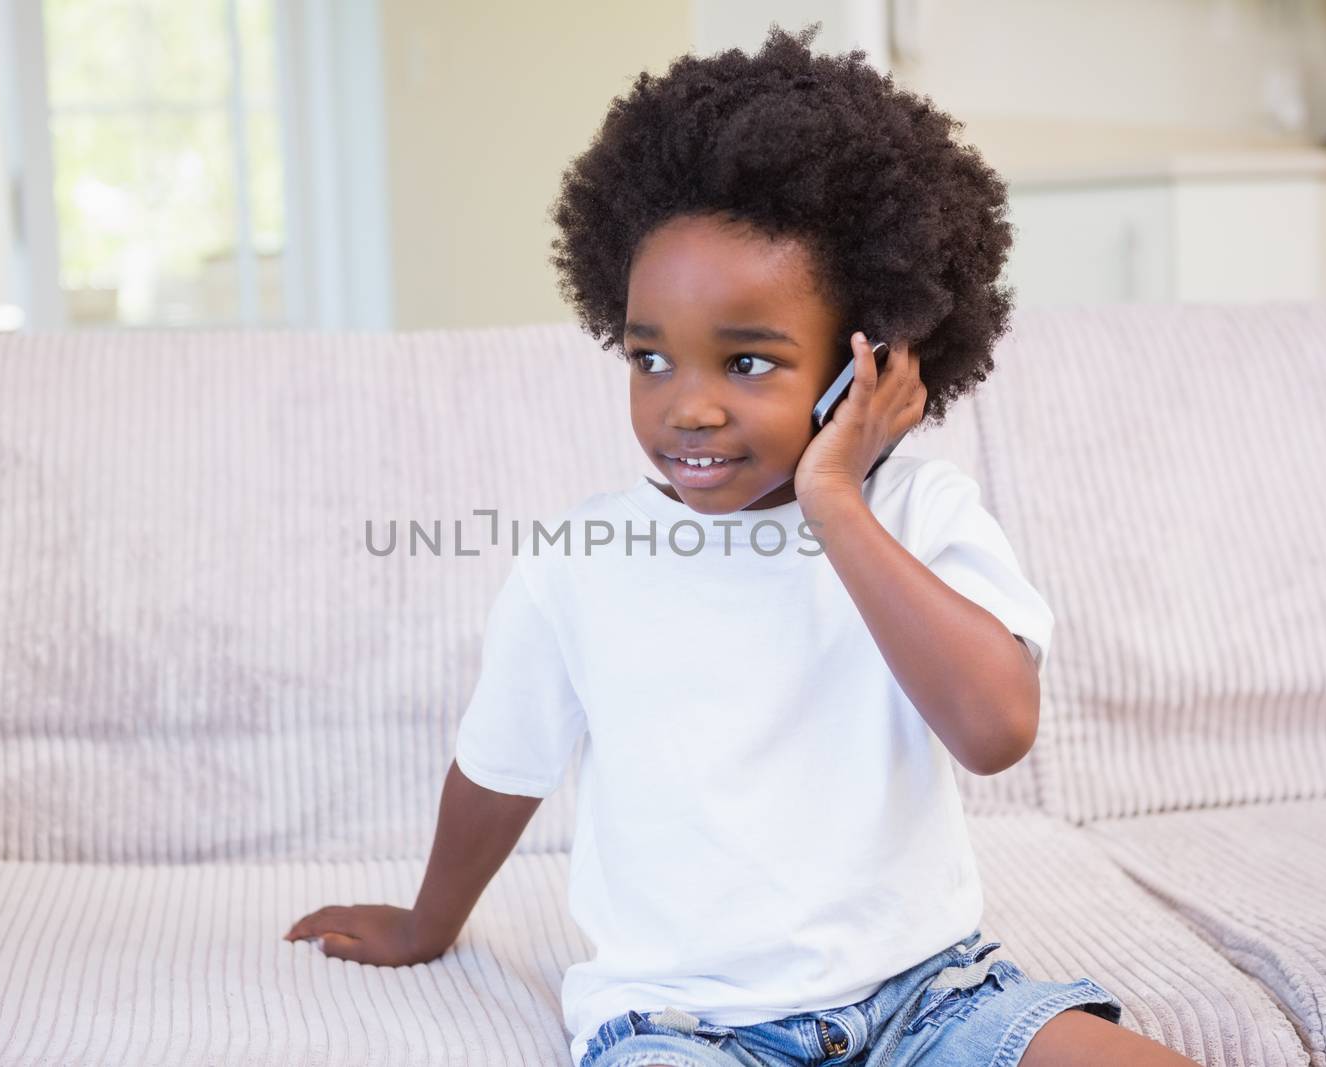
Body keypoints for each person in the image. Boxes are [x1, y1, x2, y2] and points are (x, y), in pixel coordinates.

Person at [285, 22, 1201, 1067]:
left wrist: (835, 500)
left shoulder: (922, 517)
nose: (689, 407)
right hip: (678, 1025)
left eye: (749, 363)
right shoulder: (578, 559)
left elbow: (993, 727)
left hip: (930, 997)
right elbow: (501, 766)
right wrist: (423, 924)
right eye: (651, 358)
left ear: (873, 357)